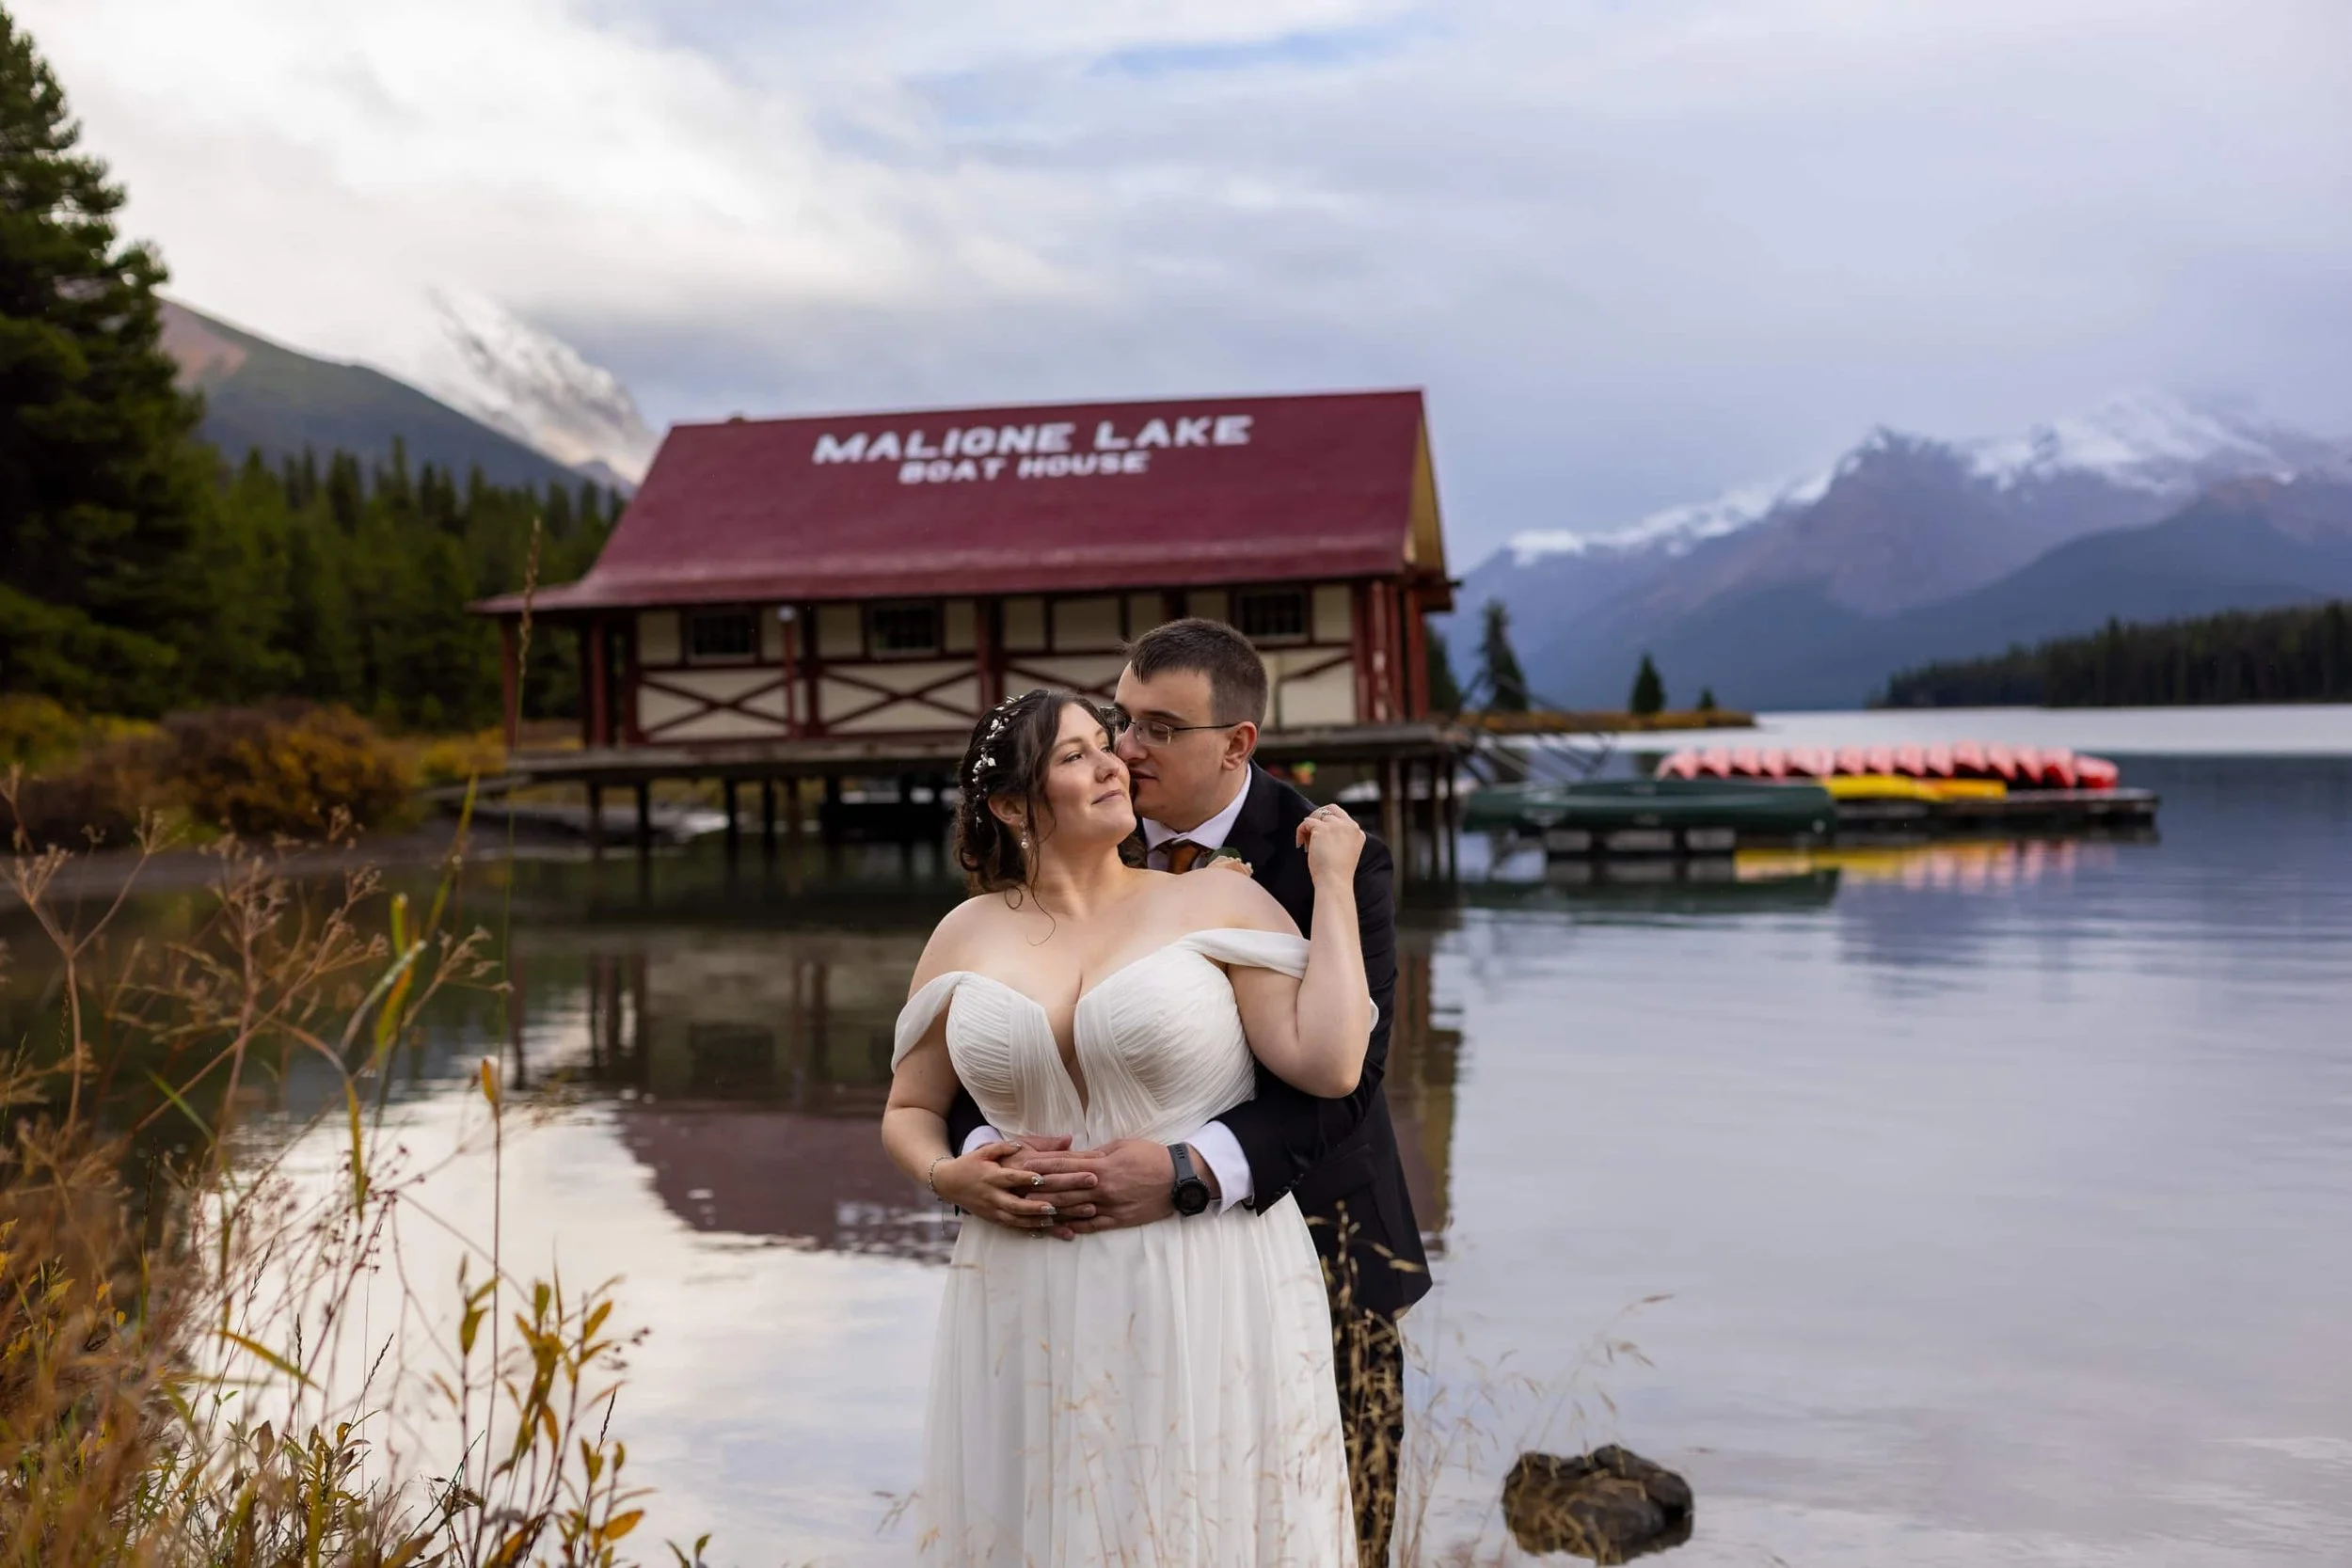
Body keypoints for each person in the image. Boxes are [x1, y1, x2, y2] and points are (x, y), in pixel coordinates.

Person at [946, 618, 1430, 1565]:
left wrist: (1190, 1167)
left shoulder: (1324, 859)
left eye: (1159, 728)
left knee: (1332, 1528)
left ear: (1236, 742)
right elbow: (984, 1034)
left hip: (1312, 1241)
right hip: (1087, 1261)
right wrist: (974, 1157)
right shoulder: (1053, 850)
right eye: (1120, 718)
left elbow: (1343, 1083)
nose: (1125, 750)